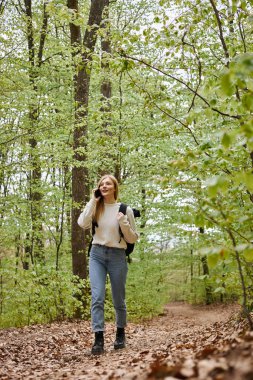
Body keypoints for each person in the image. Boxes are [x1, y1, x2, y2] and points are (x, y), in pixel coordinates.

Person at [77, 174, 139, 355]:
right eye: (101, 184)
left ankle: (120, 334)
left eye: (108, 183)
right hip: (96, 254)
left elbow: (133, 238)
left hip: (117, 255)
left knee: (118, 299)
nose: (104, 186)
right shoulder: (96, 206)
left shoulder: (124, 209)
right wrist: (92, 201)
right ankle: (99, 338)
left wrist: (123, 222)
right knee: (97, 297)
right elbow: (82, 223)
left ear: (114, 188)